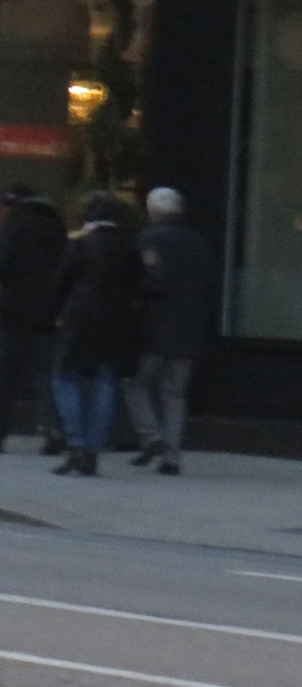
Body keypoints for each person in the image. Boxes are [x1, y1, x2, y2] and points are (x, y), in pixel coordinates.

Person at [47, 192, 143, 477]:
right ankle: (93, 450)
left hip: (79, 319)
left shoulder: (80, 245)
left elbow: (59, 283)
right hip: (117, 322)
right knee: (106, 379)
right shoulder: (129, 249)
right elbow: (139, 286)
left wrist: (55, 314)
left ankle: (75, 443)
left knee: (63, 376)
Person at [0, 184, 69, 454]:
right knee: (46, 374)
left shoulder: (14, 224)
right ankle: (52, 429)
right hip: (48, 311)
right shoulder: (55, 225)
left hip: (13, 309)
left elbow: (1, 267)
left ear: (9, 204)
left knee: (3, 374)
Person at [123, 186, 215, 476]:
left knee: (134, 382)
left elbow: (149, 281)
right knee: (174, 395)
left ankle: (152, 436)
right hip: (191, 330)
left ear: (154, 211)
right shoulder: (198, 242)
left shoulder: (149, 238)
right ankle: (172, 457)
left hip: (154, 328)